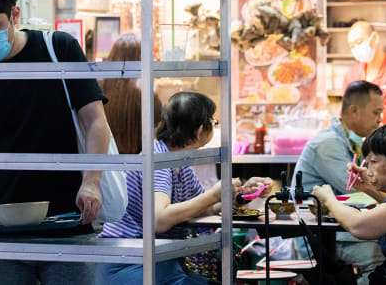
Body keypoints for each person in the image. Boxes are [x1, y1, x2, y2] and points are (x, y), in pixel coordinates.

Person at [0, 0, 112, 284]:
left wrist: (91, 182)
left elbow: (95, 120)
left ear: (14, 14)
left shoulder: (58, 49)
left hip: (67, 222)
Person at [97, 92, 271, 285]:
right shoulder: (159, 161)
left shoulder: (179, 162)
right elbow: (160, 220)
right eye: (213, 123)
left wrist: (241, 195)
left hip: (160, 263)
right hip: (133, 266)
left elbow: (204, 208)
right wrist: (214, 194)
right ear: (198, 131)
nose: (214, 127)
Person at [292, 80, 385, 284]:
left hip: (340, 229)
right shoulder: (327, 145)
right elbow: (355, 190)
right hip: (320, 237)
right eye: (376, 113)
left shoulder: (351, 141)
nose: (379, 120)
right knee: (380, 257)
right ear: (354, 110)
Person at [314, 124, 386, 284]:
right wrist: (368, 188)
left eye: (374, 161)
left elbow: (359, 226)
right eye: (367, 163)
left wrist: (329, 199)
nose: (368, 170)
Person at [99, 33, 162, 154]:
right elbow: (157, 125)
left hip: (106, 160)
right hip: (138, 163)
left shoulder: (99, 87)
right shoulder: (146, 91)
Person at [345, 21, 386, 125]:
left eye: (359, 42)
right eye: (351, 46)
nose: (356, 48)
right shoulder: (352, 74)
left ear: (374, 38)